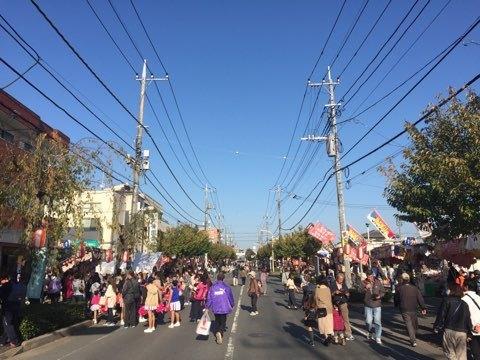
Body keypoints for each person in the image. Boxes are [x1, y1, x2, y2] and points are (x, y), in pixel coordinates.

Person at [434, 283, 471, 360]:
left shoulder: (447, 301)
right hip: (462, 332)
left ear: (451, 291)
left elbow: (441, 315)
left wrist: (436, 326)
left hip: (449, 330)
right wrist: (470, 332)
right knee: (461, 355)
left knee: (450, 353)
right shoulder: (465, 304)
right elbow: (468, 319)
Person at [394, 272, 426, 347]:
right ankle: (413, 337)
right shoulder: (414, 288)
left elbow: (396, 298)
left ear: (402, 280)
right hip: (413, 308)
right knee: (413, 323)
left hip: (404, 308)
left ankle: (413, 339)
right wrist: (423, 307)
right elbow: (420, 298)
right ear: (408, 280)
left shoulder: (399, 288)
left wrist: (396, 304)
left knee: (409, 324)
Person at [206, 272, 235, 345]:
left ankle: (218, 331)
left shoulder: (213, 287)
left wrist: (207, 307)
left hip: (215, 306)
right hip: (224, 306)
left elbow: (209, 298)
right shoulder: (226, 287)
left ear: (217, 278)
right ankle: (220, 332)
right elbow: (230, 297)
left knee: (217, 319)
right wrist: (232, 304)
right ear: (223, 278)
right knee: (223, 321)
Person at [0, 274, 24, 347]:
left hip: (8, 307)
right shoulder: (17, 285)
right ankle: (3, 340)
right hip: (17, 306)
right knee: (12, 323)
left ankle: (14, 341)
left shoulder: (5, 286)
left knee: (8, 324)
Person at [363, 269, 385, 344]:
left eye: (371, 276)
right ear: (366, 276)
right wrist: (366, 288)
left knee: (377, 321)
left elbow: (383, 291)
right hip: (368, 305)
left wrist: (379, 296)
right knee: (368, 321)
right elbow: (359, 290)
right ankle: (369, 332)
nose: (370, 277)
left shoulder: (378, 282)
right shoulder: (364, 282)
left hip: (377, 305)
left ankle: (378, 336)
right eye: (368, 276)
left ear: (373, 275)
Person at [330, 272, 354, 341]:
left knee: (345, 318)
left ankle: (348, 333)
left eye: (342, 279)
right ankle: (333, 332)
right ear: (337, 278)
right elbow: (329, 294)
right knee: (334, 318)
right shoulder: (332, 285)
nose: (341, 280)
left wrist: (347, 294)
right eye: (340, 279)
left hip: (343, 302)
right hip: (335, 303)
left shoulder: (344, 285)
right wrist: (334, 292)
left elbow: (348, 293)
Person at [461, 279, 480, 359]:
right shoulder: (479, 297)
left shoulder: (463, 300)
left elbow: (463, 317)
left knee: (475, 351)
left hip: (472, 329)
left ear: (466, 287)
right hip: (478, 326)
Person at [315, 275, 334, 346]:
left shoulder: (318, 288)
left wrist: (317, 306)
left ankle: (327, 337)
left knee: (323, 323)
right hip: (329, 307)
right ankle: (331, 333)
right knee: (329, 322)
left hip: (321, 308)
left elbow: (316, 298)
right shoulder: (328, 288)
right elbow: (330, 298)